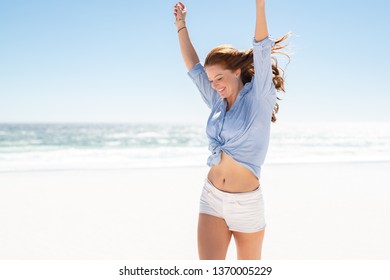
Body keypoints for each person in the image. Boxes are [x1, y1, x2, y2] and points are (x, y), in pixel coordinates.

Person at [173, 0, 289, 260]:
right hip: (211, 196)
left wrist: (260, 5)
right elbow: (193, 68)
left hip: (246, 204)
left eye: (219, 78)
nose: (213, 85)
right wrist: (181, 26)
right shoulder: (217, 101)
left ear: (237, 71)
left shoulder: (259, 97)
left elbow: (261, 47)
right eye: (211, 80)